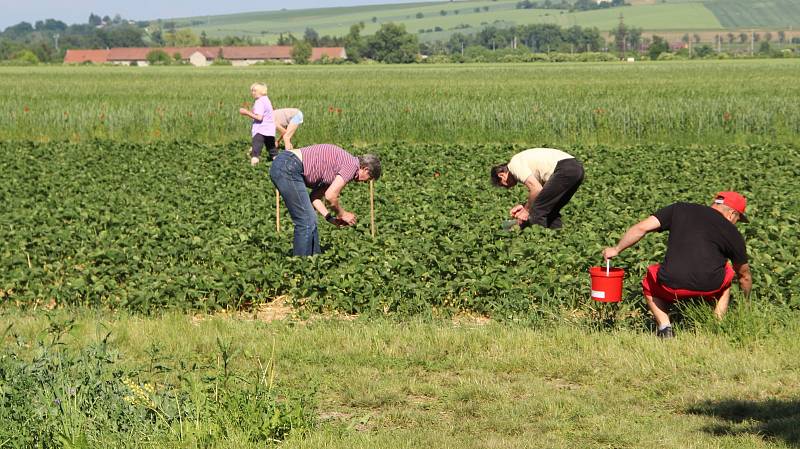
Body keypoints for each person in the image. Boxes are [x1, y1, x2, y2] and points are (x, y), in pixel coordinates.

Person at [602, 191, 753, 339]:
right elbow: (744, 276)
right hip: (709, 287)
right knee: (728, 274)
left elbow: (641, 228)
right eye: (738, 219)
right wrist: (745, 302)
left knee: (650, 280)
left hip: (671, 285)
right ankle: (716, 327)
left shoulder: (680, 209)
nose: (736, 223)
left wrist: (616, 249)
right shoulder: (733, 233)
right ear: (732, 214)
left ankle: (665, 327)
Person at [269, 144, 381, 256]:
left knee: (310, 218)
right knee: (306, 220)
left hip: (287, 165)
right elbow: (330, 196)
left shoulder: (340, 168)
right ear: (365, 169)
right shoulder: (352, 165)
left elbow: (314, 198)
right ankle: (301, 266)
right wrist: (342, 214)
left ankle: (313, 262)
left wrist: (330, 218)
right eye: (368, 179)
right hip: (288, 165)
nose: (364, 182)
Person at [490, 148, 584, 229]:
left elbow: (536, 189)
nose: (507, 187)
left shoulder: (514, 165)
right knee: (550, 211)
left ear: (501, 175)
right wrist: (524, 206)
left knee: (537, 212)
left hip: (564, 168)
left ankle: (542, 243)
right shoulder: (523, 164)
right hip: (576, 168)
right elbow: (543, 195)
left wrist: (526, 210)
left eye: (502, 184)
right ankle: (559, 239)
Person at [238, 83, 276, 166]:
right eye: (252, 91)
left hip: (260, 130)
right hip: (270, 130)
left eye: (255, 90)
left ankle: (253, 170)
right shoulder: (266, 99)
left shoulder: (259, 101)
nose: (253, 93)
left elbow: (259, 118)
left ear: (261, 91)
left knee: (255, 152)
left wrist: (246, 112)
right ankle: (281, 167)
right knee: (273, 151)